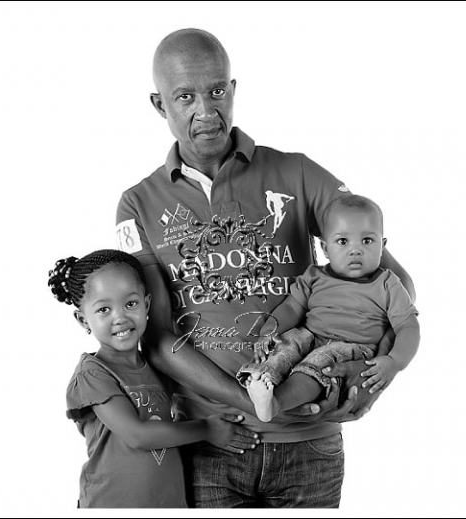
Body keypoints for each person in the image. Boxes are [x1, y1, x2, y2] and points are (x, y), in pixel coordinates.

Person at [115, 28, 416, 507]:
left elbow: (393, 282)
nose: (206, 111)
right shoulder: (137, 204)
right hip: (212, 440)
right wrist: (255, 402)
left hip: (310, 439)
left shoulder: (297, 173)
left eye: (217, 91)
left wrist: (371, 371)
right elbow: (157, 337)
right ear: (159, 104)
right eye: (185, 97)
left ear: (233, 90)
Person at [49, 249, 259, 508]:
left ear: (146, 304)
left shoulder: (156, 366)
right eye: (104, 309)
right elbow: (137, 435)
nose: (120, 317)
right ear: (83, 320)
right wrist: (206, 429)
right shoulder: (92, 373)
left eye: (131, 304)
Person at [237, 195, 420, 422]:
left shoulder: (387, 284)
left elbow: (408, 327)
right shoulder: (315, 276)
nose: (356, 250)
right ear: (325, 248)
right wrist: (269, 331)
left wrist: (394, 361)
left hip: (352, 347)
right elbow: (292, 307)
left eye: (367, 240)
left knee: (320, 363)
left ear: (382, 246)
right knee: (286, 343)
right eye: (343, 241)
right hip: (311, 335)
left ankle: (276, 403)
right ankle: (261, 379)